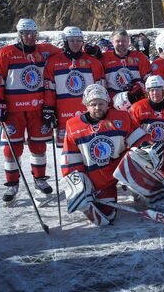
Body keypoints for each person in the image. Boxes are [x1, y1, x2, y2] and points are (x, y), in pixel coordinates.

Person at [0, 18, 61, 203]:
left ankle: (39, 180)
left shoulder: (45, 50)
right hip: (13, 111)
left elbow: (69, 53)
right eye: (25, 33)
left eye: (33, 33)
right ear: (19, 34)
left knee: (38, 146)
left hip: (37, 109)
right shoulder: (5, 53)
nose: (30, 37)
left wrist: (92, 52)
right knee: (11, 149)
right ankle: (12, 184)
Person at [61, 84, 150, 225]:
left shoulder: (121, 117)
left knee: (144, 158)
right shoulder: (73, 126)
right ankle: (93, 200)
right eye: (93, 104)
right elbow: (71, 159)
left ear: (107, 103)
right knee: (106, 216)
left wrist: (147, 149)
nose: (97, 108)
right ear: (86, 105)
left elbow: (139, 139)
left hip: (123, 169)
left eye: (101, 103)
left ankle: (150, 192)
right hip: (99, 179)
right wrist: (78, 185)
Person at [43, 26, 105, 147]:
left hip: (88, 113)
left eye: (78, 40)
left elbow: (100, 90)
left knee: (90, 147)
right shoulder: (53, 62)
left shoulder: (93, 62)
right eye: (71, 40)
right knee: (68, 151)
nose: (75, 43)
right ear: (65, 41)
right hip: (63, 113)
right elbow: (49, 89)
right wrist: (48, 108)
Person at [129, 75, 164, 182]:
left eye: (158, 89)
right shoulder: (137, 108)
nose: (155, 93)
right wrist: (144, 148)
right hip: (148, 152)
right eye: (152, 90)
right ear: (147, 92)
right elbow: (131, 133)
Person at [100, 29, 151, 100]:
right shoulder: (104, 58)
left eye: (124, 41)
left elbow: (149, 80)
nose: (121, 43)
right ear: (112, 42)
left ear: (128, 42)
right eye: (118, 41)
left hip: (137, 100)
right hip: (113, 102)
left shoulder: (139, 57)